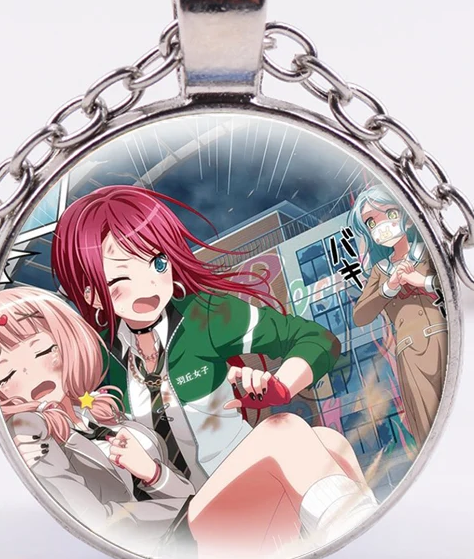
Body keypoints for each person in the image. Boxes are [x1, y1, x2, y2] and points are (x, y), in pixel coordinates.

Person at [0, 286, 377, 559]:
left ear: (66, 343)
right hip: (167, 542)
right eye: (6, 374)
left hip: (187, 514)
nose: (31, 375)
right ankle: (358, 550)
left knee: (329, 442)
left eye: (43, 352)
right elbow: (99, 524)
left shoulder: (95, 408)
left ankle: (349, 545)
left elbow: (316, 340)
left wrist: (153, 474)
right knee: (284, 432)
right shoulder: (31, 430)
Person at [50, 184, 343, 489]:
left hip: (245, 479)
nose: (149, 284)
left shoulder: (206, 315)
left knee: (302, 435)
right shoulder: (95, 353)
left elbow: (316, 339)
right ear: (92, 294)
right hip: (168, 502)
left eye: (158, 263)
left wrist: (281, 386)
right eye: (121, 277)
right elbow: (71, 414)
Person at [349, 185, 447, 446]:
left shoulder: (428, 251)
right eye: (371, 222)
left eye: (389, 214)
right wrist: (389, 287)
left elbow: (455, 286)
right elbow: (360, 315)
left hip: (444, 339)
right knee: (428, 427)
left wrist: (422, 281)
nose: (381, 226)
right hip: (410, 352)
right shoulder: (380, 270)